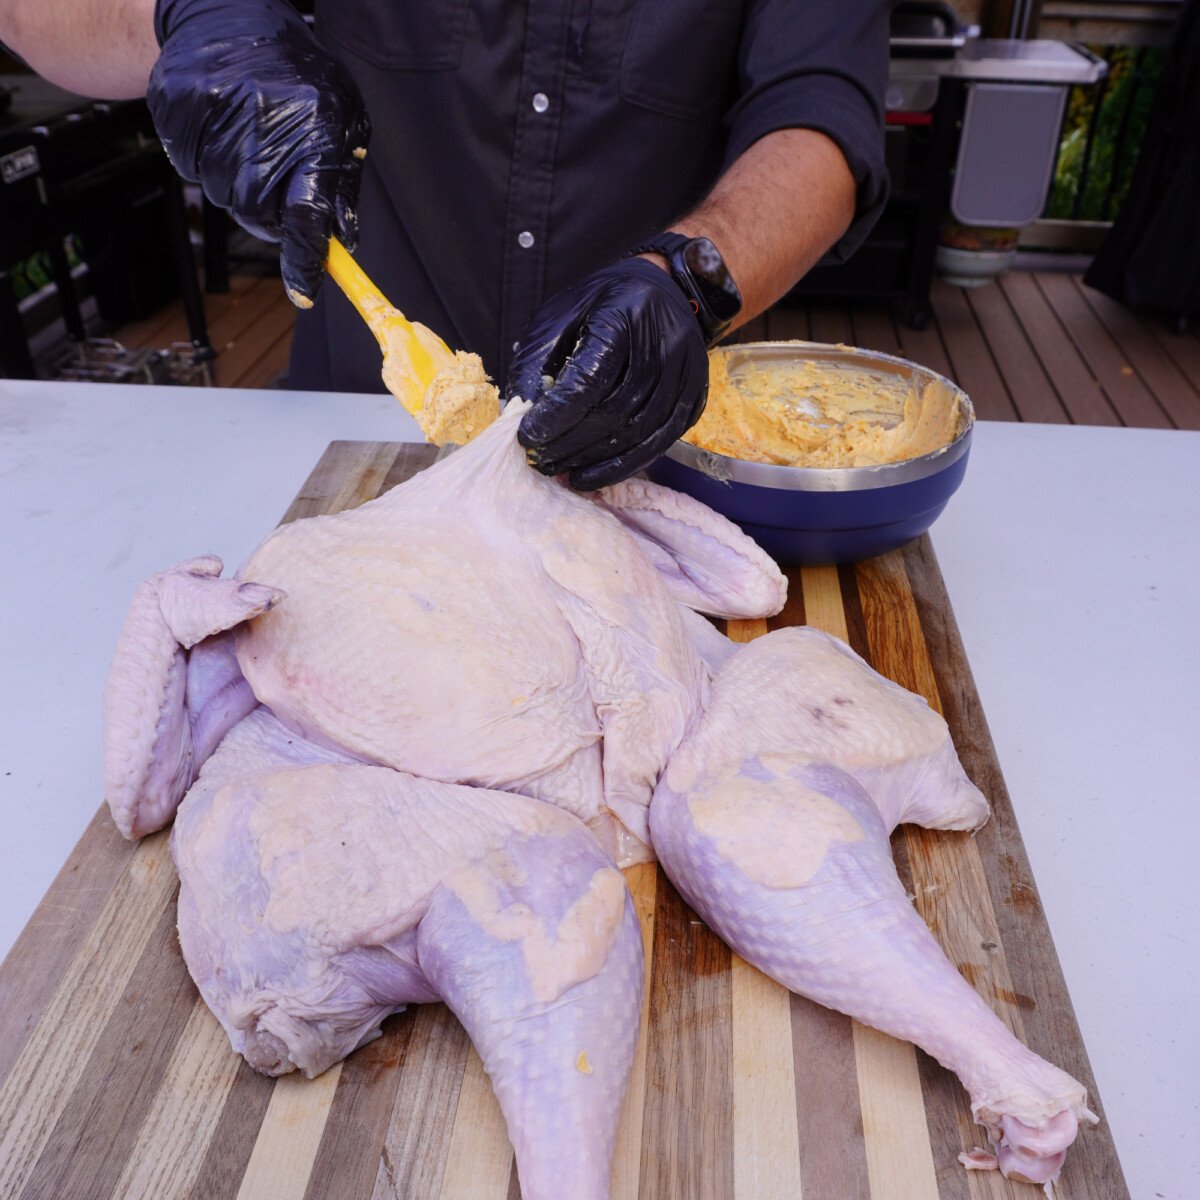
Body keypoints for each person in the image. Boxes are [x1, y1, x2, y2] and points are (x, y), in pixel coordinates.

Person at [1, 0, 889, 487]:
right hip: (349, 441)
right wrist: (191, 15)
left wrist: (690, 278)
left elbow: (822, 114)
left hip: (637, 451)